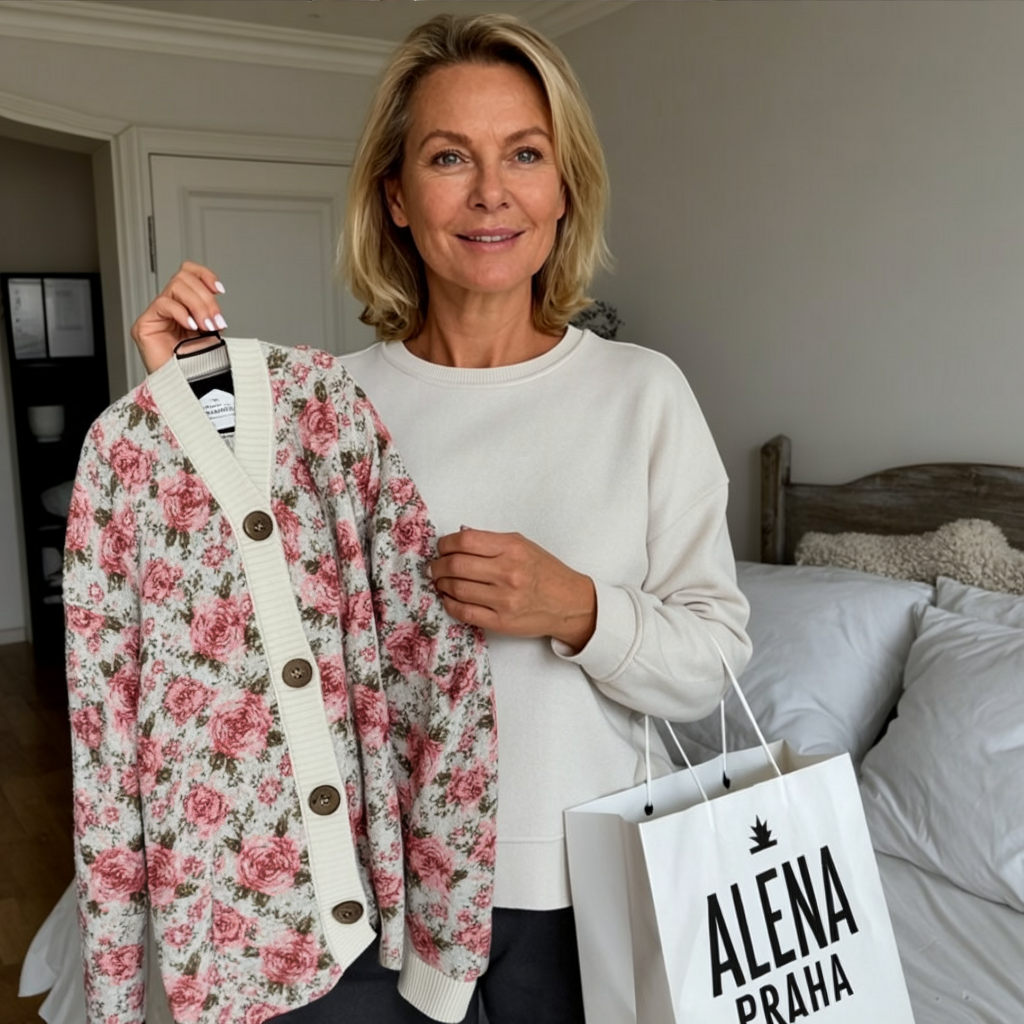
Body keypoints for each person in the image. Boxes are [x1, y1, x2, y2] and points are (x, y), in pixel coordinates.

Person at [129, 12, 752, 1023]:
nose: (491, 191)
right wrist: (188, 411)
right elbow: (235, 646)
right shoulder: (320, 405)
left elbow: (712, 666)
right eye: (449, 156)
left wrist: (575, 607)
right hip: (365, 889)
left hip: (576, 888)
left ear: (564, 189)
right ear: (397, 197)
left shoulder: (644, 394)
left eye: (526, 154)